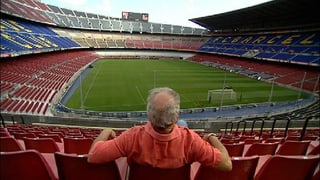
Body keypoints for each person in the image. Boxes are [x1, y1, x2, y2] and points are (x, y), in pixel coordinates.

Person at [88, 87, 232, 171]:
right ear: (175, 116)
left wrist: (106, 131)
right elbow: (227, 164)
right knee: (183, 124)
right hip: (182, 133)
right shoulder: (192, 140)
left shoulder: (131, 137)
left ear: (149, 116)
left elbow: (93, 156)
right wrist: (212, 136)